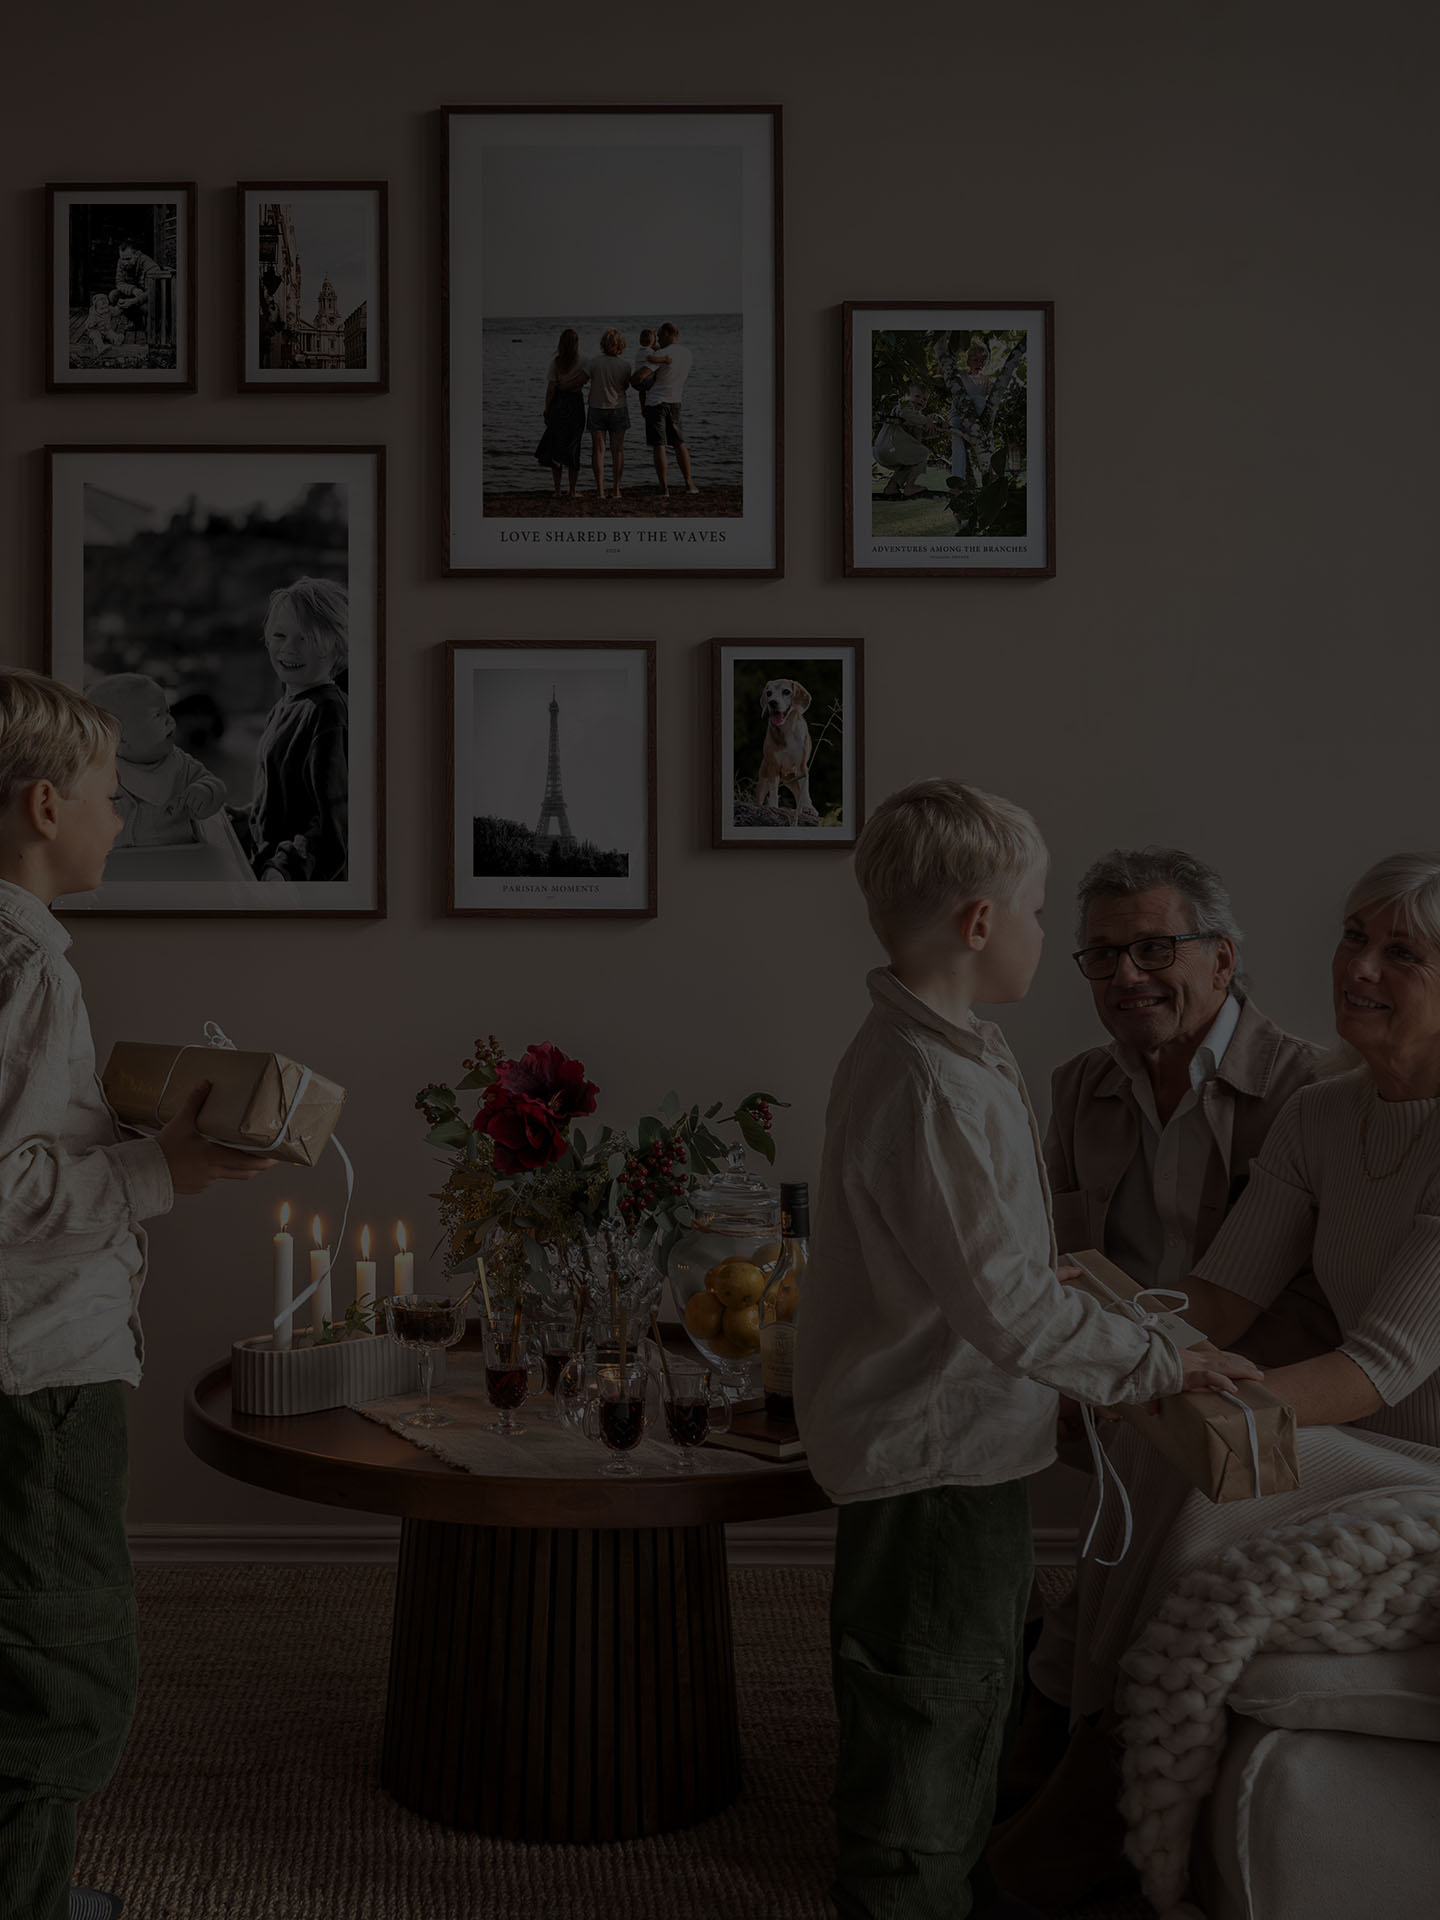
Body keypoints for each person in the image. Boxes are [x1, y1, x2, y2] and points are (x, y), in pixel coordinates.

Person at [792, 777, 1263, 1920]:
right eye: (1047, 914)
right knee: (928, 1713)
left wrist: (1038, 1267)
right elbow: (1001, 1307)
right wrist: (1161, 1361)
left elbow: (973, 1250)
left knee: (969, 1699)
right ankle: (906, 1891)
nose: (1058, 942)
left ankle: (948, 1860)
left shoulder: (947, 1050)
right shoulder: (933, 1083)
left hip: (967, 1453)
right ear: (983, 923)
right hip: (935, 1466)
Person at [991, 851, 1440, 1914]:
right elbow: (1221, 1298)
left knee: (1204, 1474)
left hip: (1419, 1450)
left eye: (1403, 952)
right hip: (1363, 1433)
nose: (1359, 966)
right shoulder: (1325, 1115)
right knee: (1156, 1447)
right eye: (1353, 934)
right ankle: (1077, 1717)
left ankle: (1089, 1775)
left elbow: (1381, 1366)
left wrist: (1187, 1395)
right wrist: (1084, 1335)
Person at [0, 668, 276, 1920]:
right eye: (113, 797)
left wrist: (111, 1127)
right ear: (46, 805)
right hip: (39, 1379)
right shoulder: (29, 973)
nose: (126, 818)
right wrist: (160, 1166)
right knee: (58, 1667)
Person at [229, 577, 348, 884]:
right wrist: (238, 819)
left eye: (305, 638)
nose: (288, 649)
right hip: (267, 870)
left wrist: (286, 867)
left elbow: (334, 820)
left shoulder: (328, 713)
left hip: (301, 887)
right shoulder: (285, 705)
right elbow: (282, 803)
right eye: (279, 635)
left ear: (338, 644)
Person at [86, 673, 225, 850]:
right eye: (157, 715)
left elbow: (212, 782)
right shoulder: (96, 772)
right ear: (119, 739)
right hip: (119, 867)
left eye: (167, 711)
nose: (170, 720)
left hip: (176, 861)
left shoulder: (181, 765)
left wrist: (206, 791)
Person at [935, 334, 1027, 529]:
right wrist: (942, 365)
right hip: (957, 417)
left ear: (984, 364)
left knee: (979, 402)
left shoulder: (985, 381)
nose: (978, 363)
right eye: (974, 360)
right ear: (968, 361)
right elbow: (942, 371)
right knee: (957, 446)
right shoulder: (960, 374)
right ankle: (957, 485)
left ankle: (987, 486)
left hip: (976, 421)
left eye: (981, 361)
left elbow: (998, 393)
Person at [640, 321, 696, 496]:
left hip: (656, 402)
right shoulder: (686, 353)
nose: (657, 339)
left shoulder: (662, 353)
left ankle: (663, 487)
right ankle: (690, 484)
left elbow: (641, 376)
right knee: (679, 443)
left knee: (659, 445)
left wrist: (632, 380)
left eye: (659, 335)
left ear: (667, 334)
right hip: (675, 401)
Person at [535, 327, 588, 499]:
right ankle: (572, 491)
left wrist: (547, 410)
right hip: (576, 403)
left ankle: (557, 490)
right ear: (576, 343)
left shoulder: (556, 362)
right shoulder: (584, 361)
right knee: (574, 446)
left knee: (556, 446)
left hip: (559, 403)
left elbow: (551, 389)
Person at [583, 327, 633, 500]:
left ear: (603, 344)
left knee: (598, 450)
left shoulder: (593, 362)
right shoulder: (625, 365)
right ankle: (616, 490)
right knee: (617, 450)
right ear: (620, 345)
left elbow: (583, 380)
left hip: (596, 407)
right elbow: (625, 386)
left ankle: (600, 491)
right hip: (618, 407)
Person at [872, 385, 939, 498]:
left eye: (925, 399)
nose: (921, 400)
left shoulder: (916, 416)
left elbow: (915, 437)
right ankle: (910, 487)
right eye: (917, 396)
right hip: (890, 447)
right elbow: (905, 413)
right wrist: (925, 420)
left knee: (911, 461)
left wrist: (931, 428)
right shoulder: (905, 405)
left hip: (885, 451)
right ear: (906, 396)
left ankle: (891, 487)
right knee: (922, 453)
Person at [108, 242, 159, 330]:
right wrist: (132, 290)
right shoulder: (121, 261)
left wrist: (132, 301)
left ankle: (155, 326)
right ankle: (137, 323)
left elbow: (153, 291)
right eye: (122, 259)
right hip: (136, 294)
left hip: (151, 298)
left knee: (143, 308)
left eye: (128, 259)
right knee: (113, 295)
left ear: (137, 255)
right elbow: (119, 282)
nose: (124, 262)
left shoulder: (148, 264)